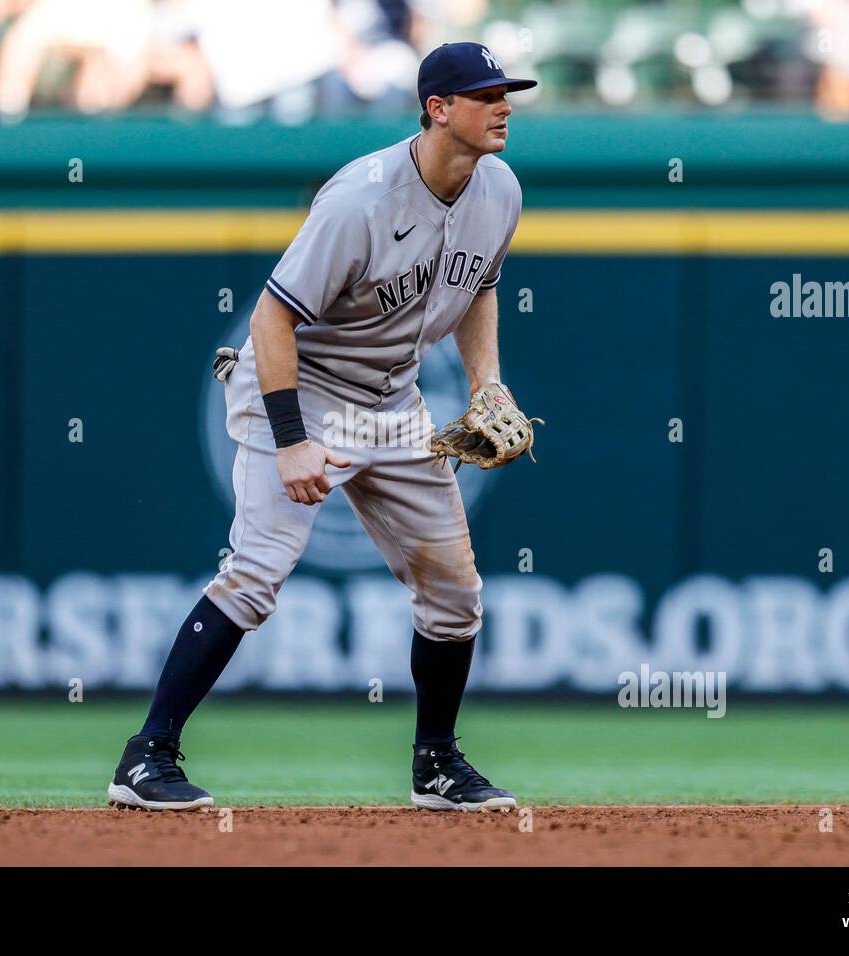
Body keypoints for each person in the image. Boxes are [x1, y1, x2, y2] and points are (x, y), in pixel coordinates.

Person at [108, 41, 536, 812]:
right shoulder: (361, 199)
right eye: (485, 93)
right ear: (439, 109)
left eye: (507, 90)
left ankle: (436, 768)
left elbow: (480, 289)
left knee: (455, 594)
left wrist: (486, 382)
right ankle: (146, 758)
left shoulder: (498, 188)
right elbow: (272, 317)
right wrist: (291, 437)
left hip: (393, 404)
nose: (503, 104)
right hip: (298, 389)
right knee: (255, 574)